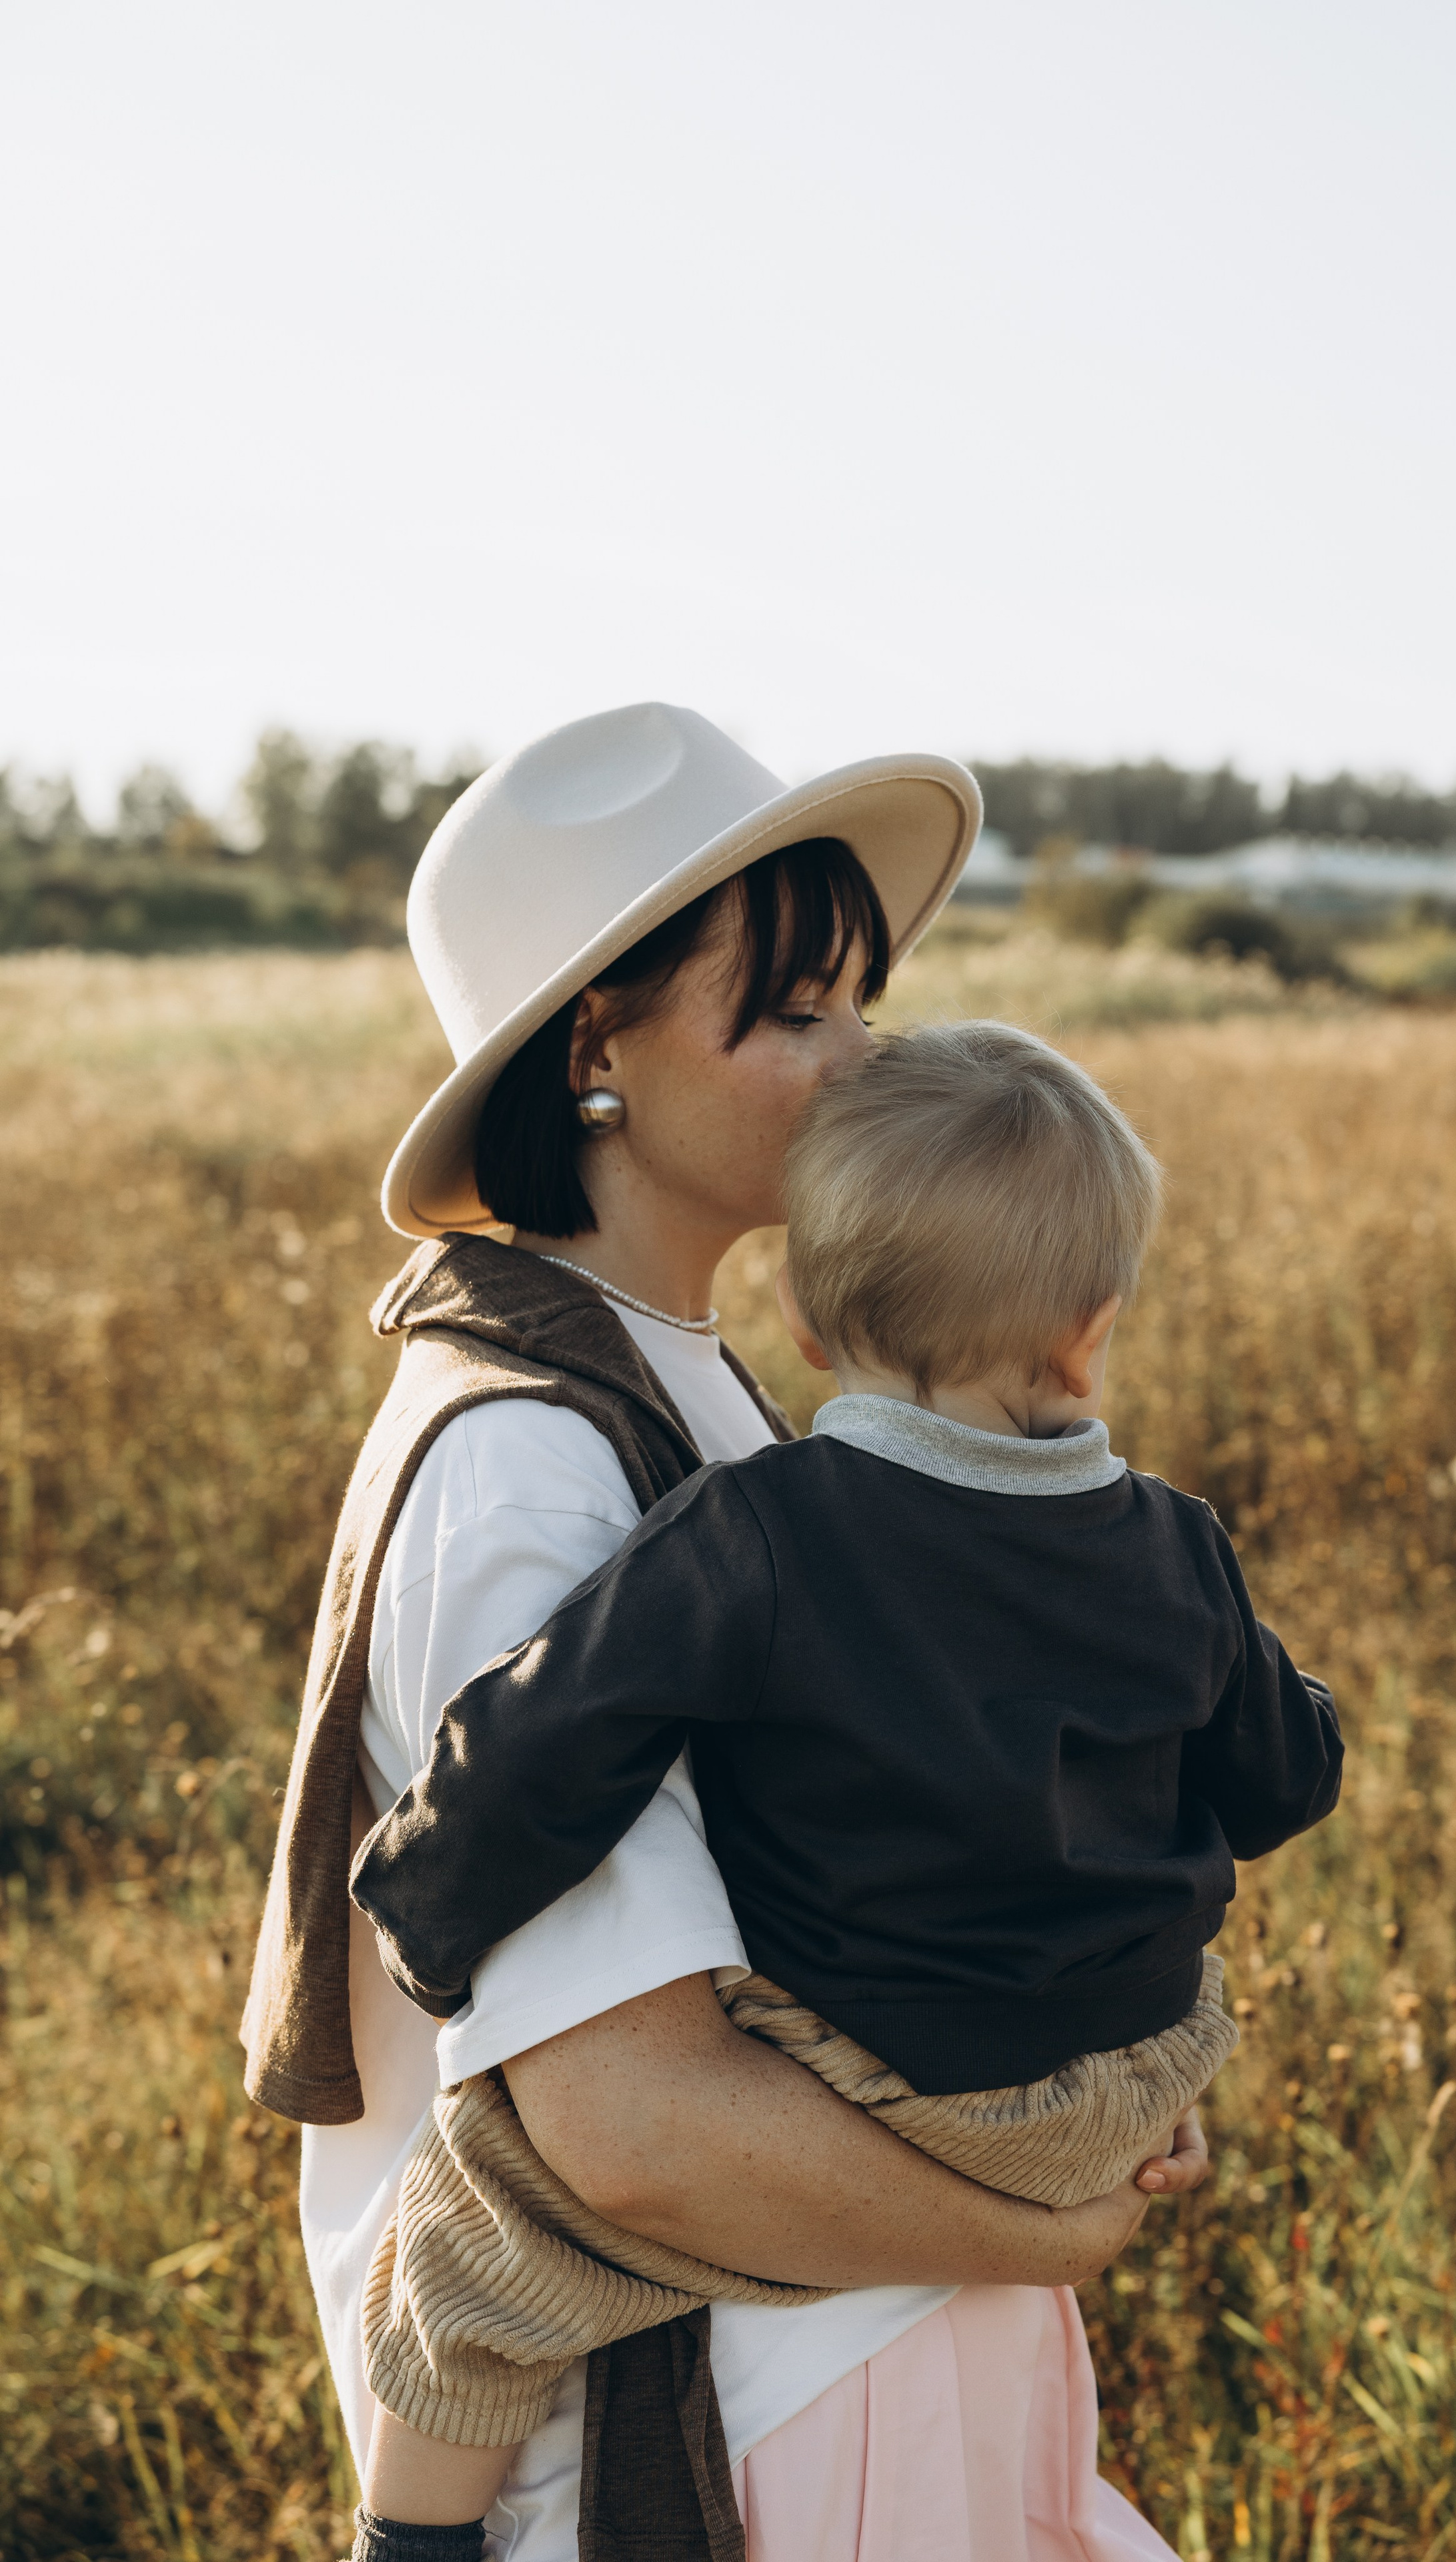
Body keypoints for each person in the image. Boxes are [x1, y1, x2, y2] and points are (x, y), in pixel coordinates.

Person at [239, 704, 1211, 2562]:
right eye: (793, 1013)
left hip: (864, 2350)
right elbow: (633, 2128)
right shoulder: (529, 1466)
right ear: (595, 1049)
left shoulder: (694, 1392)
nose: (866, 1061)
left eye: (860, 1000)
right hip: (752, 2424)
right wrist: (1054, 2217)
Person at [350, 1021, 1344, 2541]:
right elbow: (1282, 1783)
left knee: (472, 2236)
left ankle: (406, 2536)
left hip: (903, 2087)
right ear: (1089, 1328)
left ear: (808, 1324)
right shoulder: (1176, 1545)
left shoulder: (752, 1531)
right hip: (1135, 2079)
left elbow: (554, 1742)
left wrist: (421, 1901)